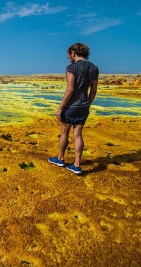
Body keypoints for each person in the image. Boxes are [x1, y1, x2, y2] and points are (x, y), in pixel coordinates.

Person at [48, 42, 99, 174]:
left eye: (68, 55)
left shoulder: (72, 67)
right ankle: (76, 165)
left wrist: (60, 108)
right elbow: (93, 91)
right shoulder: (94, 68)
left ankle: (60, 159)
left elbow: (70, 89)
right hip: (83, 106)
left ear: (73, 53)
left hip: (71, 106)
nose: (68, 58)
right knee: (78, 135)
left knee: (64, 132)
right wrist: (87, 104)